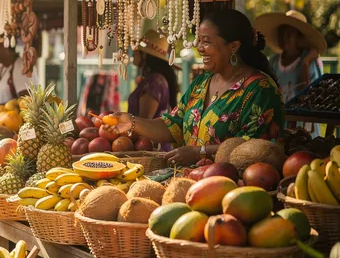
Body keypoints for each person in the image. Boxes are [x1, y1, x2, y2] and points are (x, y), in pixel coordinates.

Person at [105, 9, 285, 167]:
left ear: (234, 46)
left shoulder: (260, 89)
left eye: (206, 41)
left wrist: (200, 152)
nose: (199, 48)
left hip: (230, 190)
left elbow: (256, 149)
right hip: (187, 183)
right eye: (199, 40)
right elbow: (173, 125)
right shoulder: (202, 81)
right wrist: (132, 122)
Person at [254, 9, 326, 101]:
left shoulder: (312, 61)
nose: (284, 38)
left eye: (289, 34)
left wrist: (305, 63)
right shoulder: (273, 61)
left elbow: (310, 95)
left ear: (299, 38)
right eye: (281, 34)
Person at [129, 29, 179, 120]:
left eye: (137, 50)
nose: (133, 53)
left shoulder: (153, 83)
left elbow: (145, 120)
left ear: (144, 54)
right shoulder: (155, 80)